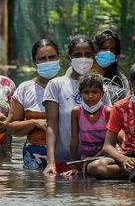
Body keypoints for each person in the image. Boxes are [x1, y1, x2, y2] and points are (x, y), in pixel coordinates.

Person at [43, 35, 111, 174]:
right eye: (78, 55)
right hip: (64, 161)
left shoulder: (102, 86)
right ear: (69, 57)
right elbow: (51, 126)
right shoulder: (56, 85)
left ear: (93, 56)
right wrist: (51, 162)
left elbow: (110, 126)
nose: (83, 58)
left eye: (88, 54)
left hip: (96, 162)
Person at [6, 39, 60, 170]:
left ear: (59, 58)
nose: (48, 62)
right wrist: (34, 123)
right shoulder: (25, 89)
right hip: (34, 157)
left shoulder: (70, 87)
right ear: (35, 62)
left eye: (52, 57)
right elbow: (10, 127)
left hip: (65, 156)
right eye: (42, 58)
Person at [67, 73, 111, 175]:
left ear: (102, 93)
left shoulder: (108, 112)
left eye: (95, 92)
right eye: (86, 92)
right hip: (86, 159)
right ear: (80, 94)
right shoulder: (76, 112)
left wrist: (94, 158)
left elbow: (111, 144)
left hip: (107, 156)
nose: (90, 96)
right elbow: (74, 141)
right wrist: (73, 167)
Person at [92, 29, 130, 103]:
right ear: (95, 50)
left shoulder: (121, 80)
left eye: (112, 49)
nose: (108, 52)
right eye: (104, 48)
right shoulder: (82, 73)